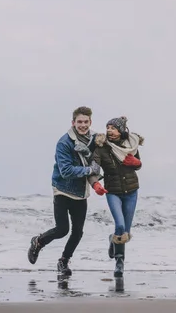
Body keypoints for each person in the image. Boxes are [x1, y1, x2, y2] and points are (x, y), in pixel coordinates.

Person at [27, 106, 105, 276]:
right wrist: (89, 171)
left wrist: (96, 184)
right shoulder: (64, 142)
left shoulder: (94, 140)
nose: (83, 125)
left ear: (90, 122)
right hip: (62, 189)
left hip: (80, 193)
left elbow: (97, 161)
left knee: (78, 232)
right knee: (62, 229)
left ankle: (63, 261)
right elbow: (67, 171)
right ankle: (38, 241)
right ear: (73, 123)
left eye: (86, 122)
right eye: (79, 122)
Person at [91, 116, 143, 278]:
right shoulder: (101, 147)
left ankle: (113, 241)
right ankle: (119, 263)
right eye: (107, 127)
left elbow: (139, 163)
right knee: (120, 226)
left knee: (126, 232)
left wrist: (136, 163)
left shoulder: (130, 145)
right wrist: (95, 184)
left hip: (131, 191)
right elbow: (94, 168)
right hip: (113, 191)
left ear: (120, 130)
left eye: (112, 128)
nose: (109, 130)